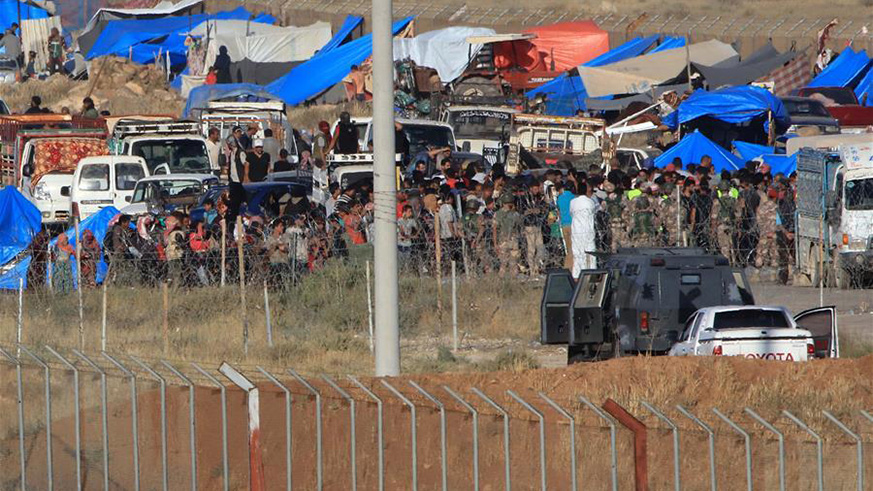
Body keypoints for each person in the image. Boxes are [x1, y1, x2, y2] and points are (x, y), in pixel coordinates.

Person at [569, 182, 597, 278]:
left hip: (576, 231)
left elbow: (571, 213)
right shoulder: (590, 202)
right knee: (590, 252)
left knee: (577, 253)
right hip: (588, 230)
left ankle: (577, 275)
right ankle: (592, 273)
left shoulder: (573, 202)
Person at [492, 194, 522, 275]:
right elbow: (519, 226)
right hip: (513, 240)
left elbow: (494, 229)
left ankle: (502, 280)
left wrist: (495, 243)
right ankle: (513, 279)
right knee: (513, 264)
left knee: (503, 264)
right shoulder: (516, 214)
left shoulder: (497, 214)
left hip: (503, 240)